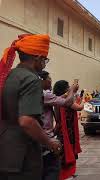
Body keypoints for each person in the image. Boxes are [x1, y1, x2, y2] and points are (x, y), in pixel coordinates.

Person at [0, 34, 62, 180]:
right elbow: (27, 121)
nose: (44, 63)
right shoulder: (31, 79)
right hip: (23, 155)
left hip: (5, 150)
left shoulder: (11, 75)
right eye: (45, 60)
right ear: (38, 58)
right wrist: (50, 142)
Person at [38, 71, 79, 180]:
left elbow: (59, 99)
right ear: (42, 80)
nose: (51, 80)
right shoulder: (44, 94)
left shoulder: (46, 95)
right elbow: (67, 102)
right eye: (49, 78)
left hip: (46, 134)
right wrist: (72, 91)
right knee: (53, 167)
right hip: (46, 137)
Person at [53, 80, 83, 180]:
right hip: (68, 130)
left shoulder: (57, 99)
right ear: (65, 89)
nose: (70, 87)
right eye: (68, 87)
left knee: (66, 151)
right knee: (68, 151)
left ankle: (68, 173)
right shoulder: (65, 99)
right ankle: (66, 174)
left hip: (63, 129)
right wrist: (84, 101)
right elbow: (78, 108)